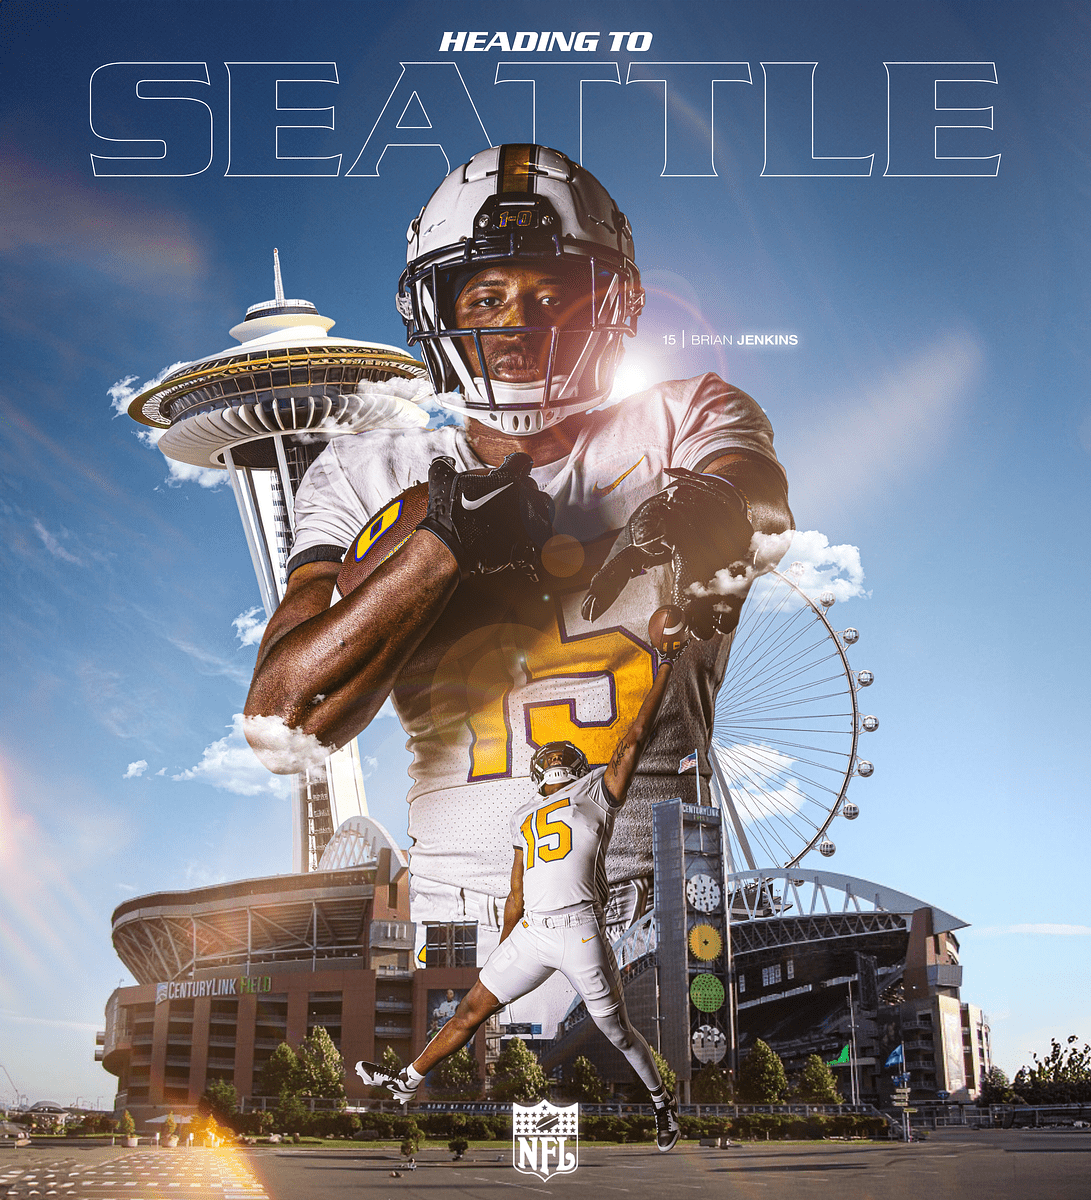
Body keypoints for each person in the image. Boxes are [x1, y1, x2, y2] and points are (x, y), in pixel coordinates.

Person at [244, 143, 793, 1028]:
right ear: (435, 311)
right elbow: (284, 715)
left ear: (608, 305)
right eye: (487, 295)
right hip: (450, 921)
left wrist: (696, 510)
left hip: (661, 908)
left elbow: (757, 499)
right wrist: (440, 544)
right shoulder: (363, 469)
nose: (519, 321)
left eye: (552, 294)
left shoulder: (685, 415)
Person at [355, 648, 683, 1151]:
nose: (553, 760)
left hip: (580, 929)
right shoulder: (523, 814)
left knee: (617, 1029)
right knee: (470, 1008)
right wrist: (505, 950)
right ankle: (408, 1077)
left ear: (571, 765)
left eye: (559, 756)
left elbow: (636, 734)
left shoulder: (596, 791)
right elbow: (515, 890)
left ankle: (662, 1102)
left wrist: (663, 666)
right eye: (547, 756)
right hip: (532, 930)